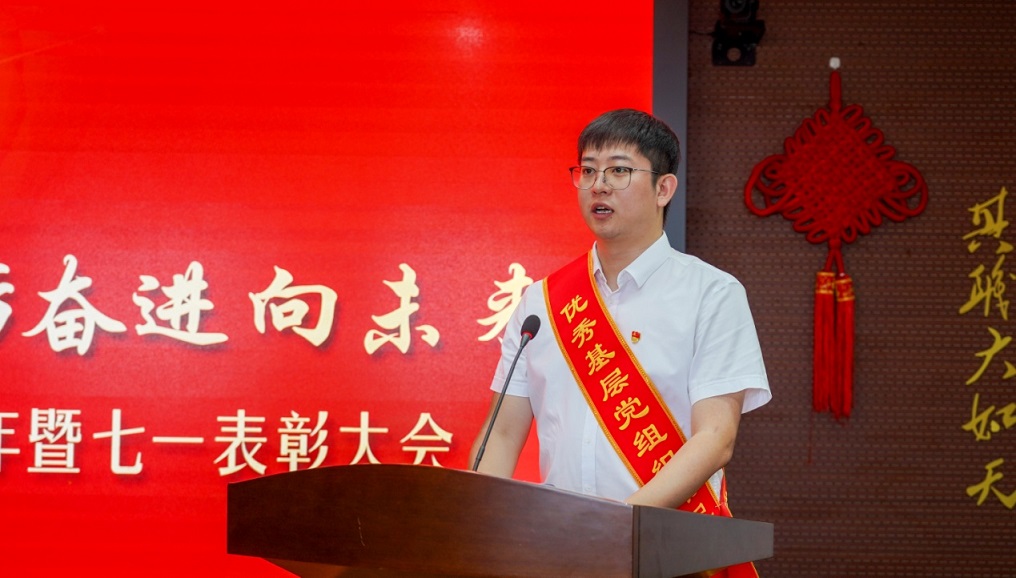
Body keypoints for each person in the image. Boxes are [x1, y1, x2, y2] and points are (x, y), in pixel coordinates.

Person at [469, 108, 771, 576]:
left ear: (664, 189)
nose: (599, 185)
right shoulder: (542, 303)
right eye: (588, 171)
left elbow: (715, 438)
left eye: (619, 171)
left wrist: (615, 529)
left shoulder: (711, 293)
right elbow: (503, 434)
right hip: (559, 553)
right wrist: (474, 527)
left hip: (669, 552)